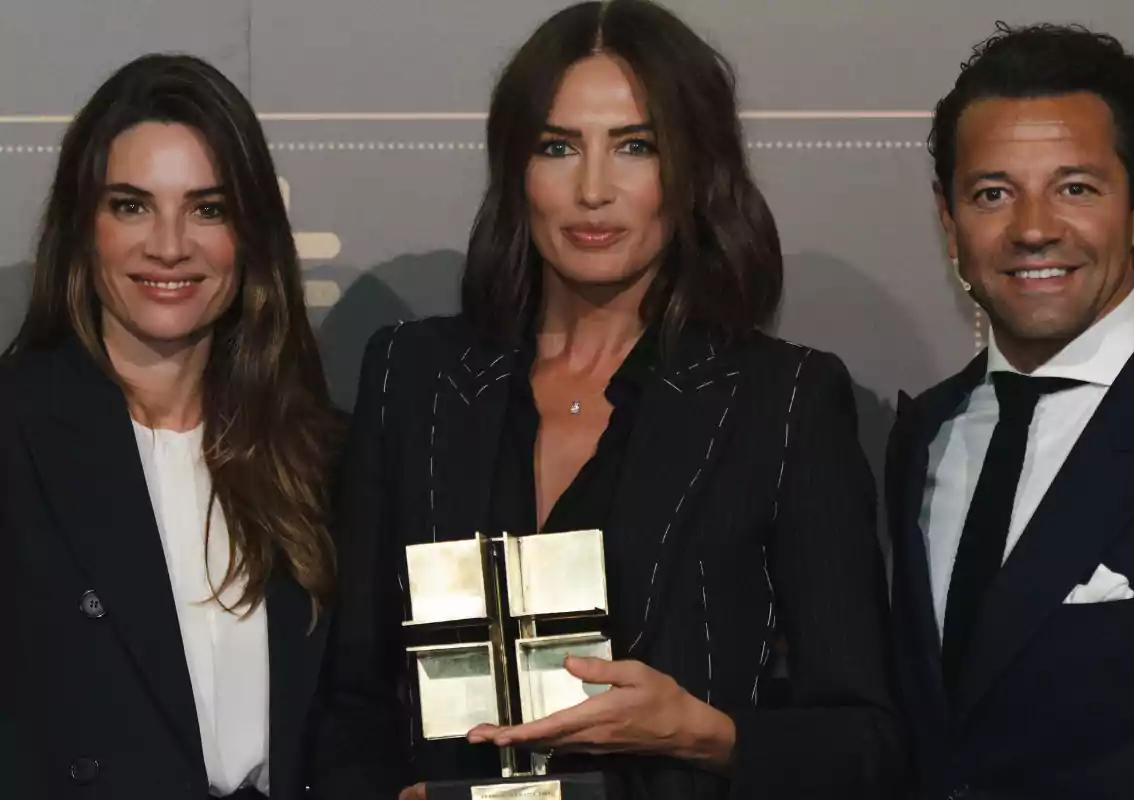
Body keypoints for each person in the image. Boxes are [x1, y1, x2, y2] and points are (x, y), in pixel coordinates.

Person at [313, 2, 902, 799]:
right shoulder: (412, 376)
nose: (593, 190)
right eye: (558, 147)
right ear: (516, 170)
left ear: (695, 169)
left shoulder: (785, 401)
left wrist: (705, 734)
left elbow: (862, 741)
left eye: (636, 146)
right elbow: (353, 695)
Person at [0, 54, 342, 799]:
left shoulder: (315, 453)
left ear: (249, 234)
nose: (168, 244)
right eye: (131, 205)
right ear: (83, 226)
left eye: (208, 208)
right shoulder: (15, 432)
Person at [886, 22, 1134, 799]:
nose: (1032, 229)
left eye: (1075, 188)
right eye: (993, 193)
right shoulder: (923, 435)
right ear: (947, 218)